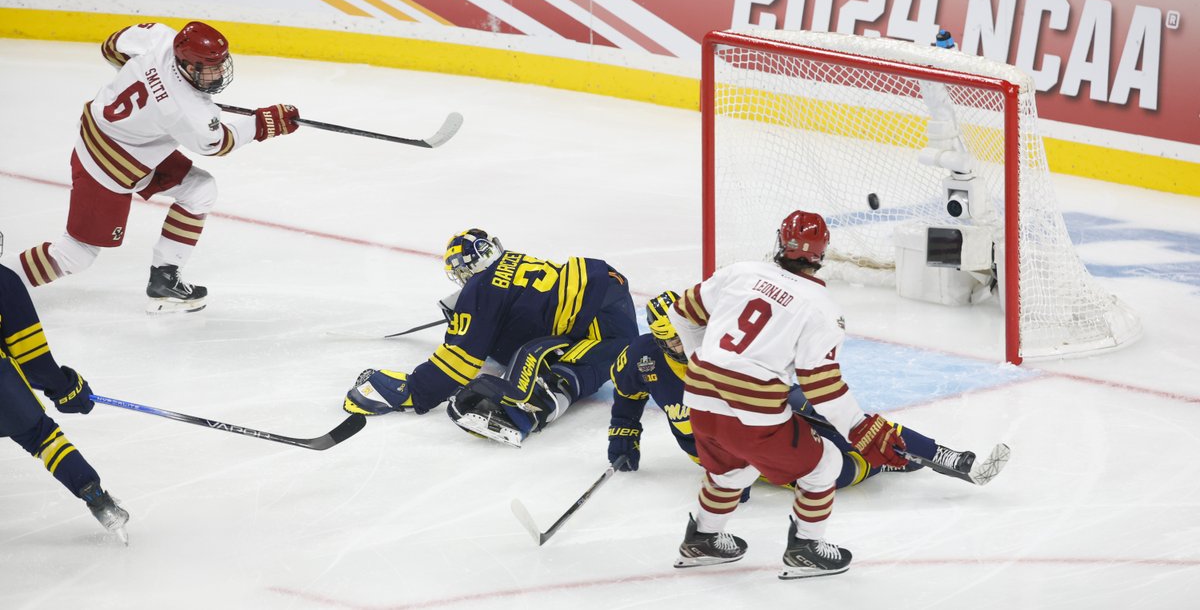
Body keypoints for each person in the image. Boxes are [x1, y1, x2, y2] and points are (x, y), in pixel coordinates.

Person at [667, 210, 908, 579]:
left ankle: (703, 538)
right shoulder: (822, 307)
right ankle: (806, 548)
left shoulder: (741, 271)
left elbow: (682, 312)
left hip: (699, 394)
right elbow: (820, 384)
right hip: (753, 408)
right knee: (825, 463)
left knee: (732, 467)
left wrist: (703, 360)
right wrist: (860, 428)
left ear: (780, 242)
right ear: (822, 254)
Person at [5, 21, 301, 314]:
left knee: (200, 191)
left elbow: (112, 46)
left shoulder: (158, 37)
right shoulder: (187, 110)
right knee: (76, 254)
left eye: (221, 64)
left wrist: (145, 80)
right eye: (209, 68)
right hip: (107, 165)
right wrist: (263, 123)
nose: (219, 73)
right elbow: (218, 143)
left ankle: (165, 281)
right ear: (187, 66)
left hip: (113, 135)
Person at [608, 291, 1006, 491]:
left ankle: (941, 453)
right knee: (832, 473)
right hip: (732, 453)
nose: (684, 346)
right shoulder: (641, 358)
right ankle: (880, 462)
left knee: (838, 419)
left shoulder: (718, 345)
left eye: (687, 336)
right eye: (673, 342)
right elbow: (626, 398)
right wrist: (624, 436)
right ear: (658, 340)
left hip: (759, 418)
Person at [344, 229, 639, 446]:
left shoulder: (480, 289)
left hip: (593, 318)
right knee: (603, 356)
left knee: (553, 371)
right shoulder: (514, 260)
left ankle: (529, 408)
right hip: (608, 294)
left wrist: (415, 391)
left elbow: (459, 360)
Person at [0, 233, 130, 543]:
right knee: (42, 437)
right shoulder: (4, 281)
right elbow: (34, 361)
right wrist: (67, 390)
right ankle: (99, 500)